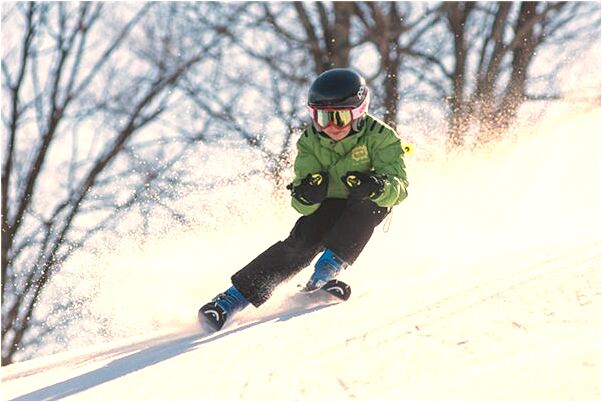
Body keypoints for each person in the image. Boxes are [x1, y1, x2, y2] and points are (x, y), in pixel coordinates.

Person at [199, 68, 409, 331]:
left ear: (358, 113)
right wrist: (307, 194)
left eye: (339, 118)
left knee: (369, 208)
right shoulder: (310, 141)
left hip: (365, 200)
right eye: (321, 118)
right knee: (303, 240)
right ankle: (230, 300)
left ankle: (325, 273)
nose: (330, 127)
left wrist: (377, 186)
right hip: (328, 203)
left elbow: (400, 187)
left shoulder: (381, 136)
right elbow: (301, 203)